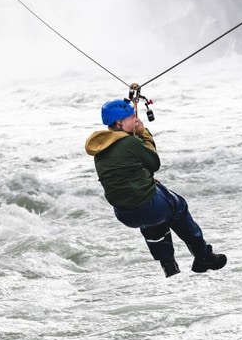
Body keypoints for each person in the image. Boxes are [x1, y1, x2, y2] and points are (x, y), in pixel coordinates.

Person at [85, 98, 227, 277]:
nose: (135, 120)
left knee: (151, 212)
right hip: (149, 206)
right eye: (131, 117)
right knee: (178, 207)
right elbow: (154, 163)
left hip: (124, 214)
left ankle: (168, 264)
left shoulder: (100, 150)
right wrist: (143, 132)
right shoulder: (131, 142)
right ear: (119, 123)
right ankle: (203, 256)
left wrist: (132, 133)